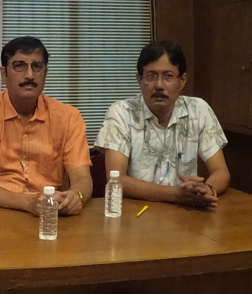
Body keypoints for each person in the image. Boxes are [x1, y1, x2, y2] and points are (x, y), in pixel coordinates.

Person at [0, 36, 92, 215]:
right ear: (4, 74)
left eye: (37, 66)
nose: (29, 75)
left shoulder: (69, 118)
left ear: (45, 73)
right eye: (19, 66)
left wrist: (77, 196)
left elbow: (83, 178)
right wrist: (28, 203)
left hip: (47, 216)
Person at [95, 40, 230, 208]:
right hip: (136, 212)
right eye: (151, 76)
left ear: (182, 80)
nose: (159, 85)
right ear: (139, 79)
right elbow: (117, 180)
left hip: (186, 213)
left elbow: (221, 171)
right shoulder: (122, 112)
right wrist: (176, 194)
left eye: (168, 76)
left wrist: (207, 190)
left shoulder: (198, 110)